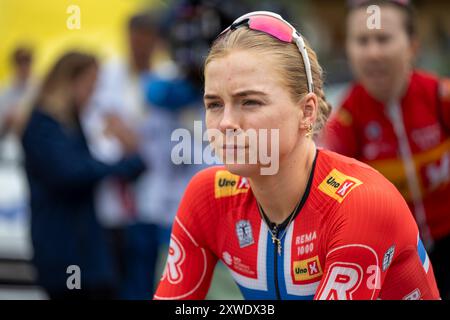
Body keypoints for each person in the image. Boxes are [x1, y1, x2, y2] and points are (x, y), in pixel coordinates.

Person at [154, 11, 440, 300]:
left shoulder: (359, 204)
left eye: (250, 101)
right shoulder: (207, 196)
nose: (226, 122)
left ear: (307, 111)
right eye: (214, 104)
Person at [322, 0, 450, 298]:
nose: (373, 52)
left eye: (383, 39)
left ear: (412, 46)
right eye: (362, 41)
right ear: (348, 49)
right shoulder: (343, 122)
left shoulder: (439, 96)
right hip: (397, 258)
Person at [21, 51, 146, 299]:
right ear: (71, 82)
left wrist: (126, 148)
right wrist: (122, 165)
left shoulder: (74, 124)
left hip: (89, 248)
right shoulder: (43, 125)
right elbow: (69, 174)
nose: (93, 95)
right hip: (64, 249)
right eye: (91, 85)